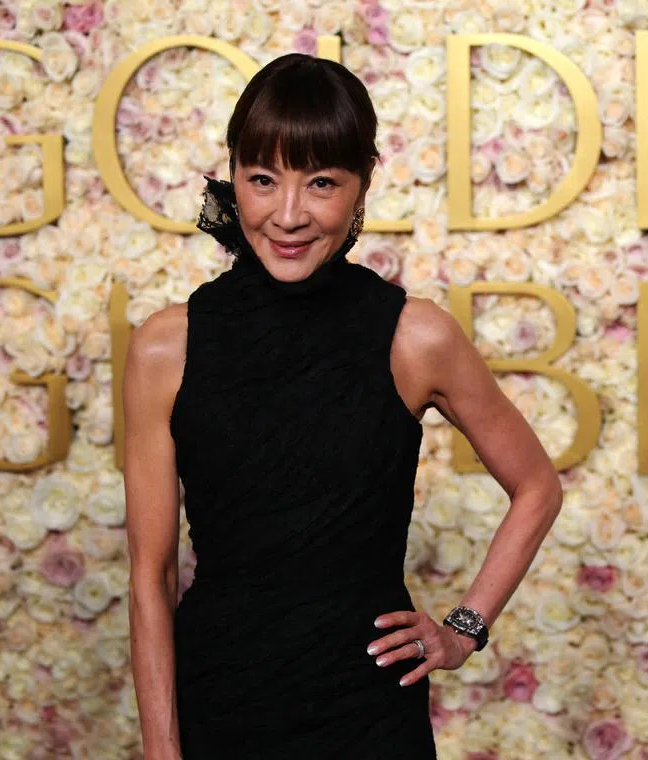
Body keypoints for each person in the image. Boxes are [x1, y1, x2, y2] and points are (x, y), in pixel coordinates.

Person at [123, 53, 563, 759]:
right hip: (220, 708)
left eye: (321, 183)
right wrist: (160, 752)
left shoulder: (416, 337)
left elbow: (537, 487)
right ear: (232, 178)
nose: (289, 215)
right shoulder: (164, 348)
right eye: (262, 180)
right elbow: (149, 575)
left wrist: (463, 629)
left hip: (369, 718)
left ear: (361, 189)